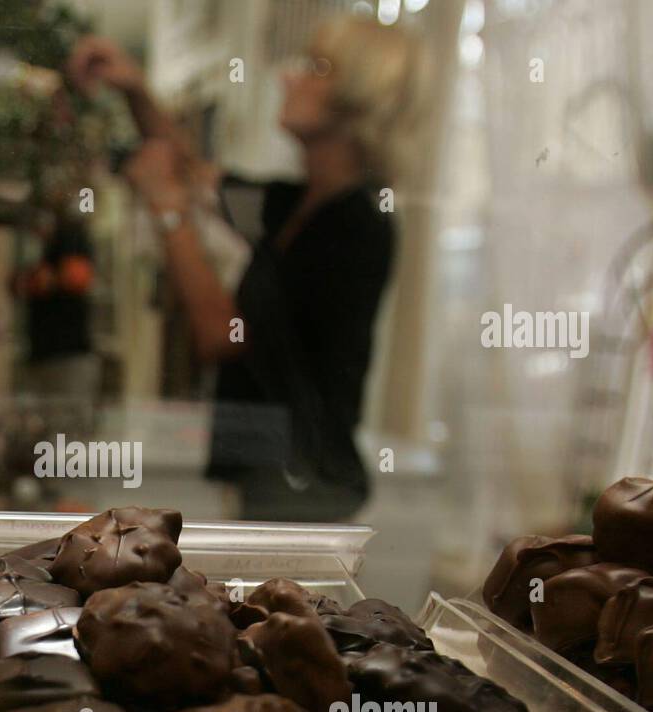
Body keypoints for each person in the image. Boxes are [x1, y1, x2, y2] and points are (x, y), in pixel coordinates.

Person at [67, 16, 426, 521]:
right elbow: (195, 174)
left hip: (307, 492)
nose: (288, 77)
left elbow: (223, 335)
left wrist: (168, 212)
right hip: (273, 483)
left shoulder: (355, 226)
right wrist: (136, 91)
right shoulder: (298, 204)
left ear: (355, 97)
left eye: (317, 68)